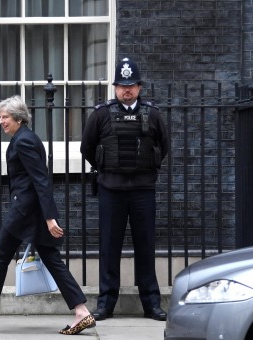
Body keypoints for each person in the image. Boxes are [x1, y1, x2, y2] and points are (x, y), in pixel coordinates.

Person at [0, 95, 96, 335]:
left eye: (5, 117)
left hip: (24, 211)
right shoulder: (25, 138)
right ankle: (81, 312)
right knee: (51, 258)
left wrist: (50, 218)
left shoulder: (24, 142)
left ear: (18, 118)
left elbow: (41, 180)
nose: (1, 121)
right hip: (32, 210)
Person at [80, 57, 169, 321]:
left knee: (146, 246)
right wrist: (107, 168)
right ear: (115, 87)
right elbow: (87, 148)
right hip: (112, 189)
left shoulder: (152, 114)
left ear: (139, 87)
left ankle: (151, 304)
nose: (126, 90)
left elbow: (163, 147)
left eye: (131, 85)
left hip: (142, 189)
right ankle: (106, 304)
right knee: (110, 247)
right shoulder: (101, 114)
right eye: (121, 85)